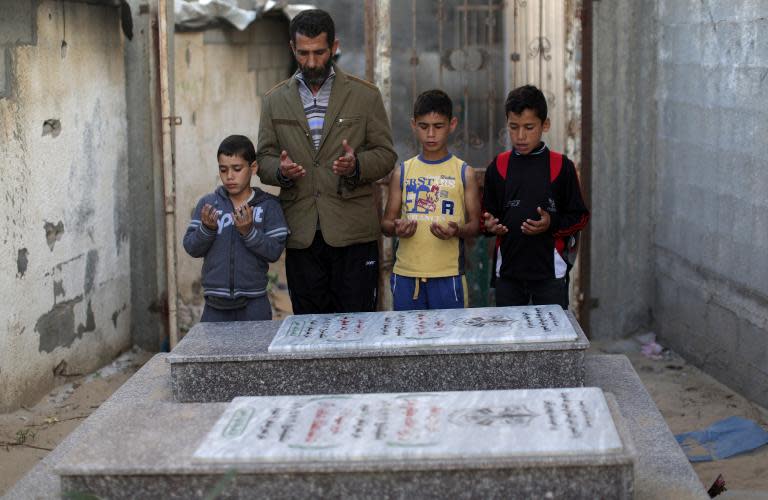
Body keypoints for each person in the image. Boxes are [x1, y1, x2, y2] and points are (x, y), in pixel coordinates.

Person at [256, 9, 397, 314]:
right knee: (309, 330)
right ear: (293, 49)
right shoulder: (274, 100)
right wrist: (280, 171)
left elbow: (386, 155)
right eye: (303, 53)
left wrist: (356, 165)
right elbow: (264, 157)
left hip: (353, 233)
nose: (310, 62)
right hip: (301, 234)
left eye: (319, 52)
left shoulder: (365, 96)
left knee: (358, 327)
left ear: (334, 47)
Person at [483, 85, 589, 309]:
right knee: (510, 338)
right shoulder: (499, 166)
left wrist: (551, 224)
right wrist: (490, 225)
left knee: (550, 338)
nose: (520, 136)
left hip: (550, 274)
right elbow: (487, 215)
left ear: (545, 125)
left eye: (529, 127)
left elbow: (580, 217)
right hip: (508, 274)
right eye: (514, 127)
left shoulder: (562, 166)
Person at [381, 89, 480, 310]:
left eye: (438, 126)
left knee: (449, 341)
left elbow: (475, 225)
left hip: (448, 275)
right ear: (413, 125)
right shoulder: (403, 171)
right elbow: (386, 223)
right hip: (407, 275)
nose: (431, 134)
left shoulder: (464, 172)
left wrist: (457, 231)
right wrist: (398, 228)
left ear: (452, 124)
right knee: (408, 340)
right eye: (424, 127)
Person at [183, 135, 289, 322]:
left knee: (254, 351)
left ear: (253, 168)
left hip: (254, 304)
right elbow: (191, 247)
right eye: (223, 170)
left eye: (237, 169)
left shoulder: (268, 206)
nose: (229, 176)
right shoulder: (209, 204)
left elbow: (273, 251)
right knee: (215, 352)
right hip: (214, 307)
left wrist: (249, 232)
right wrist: (207, 229)